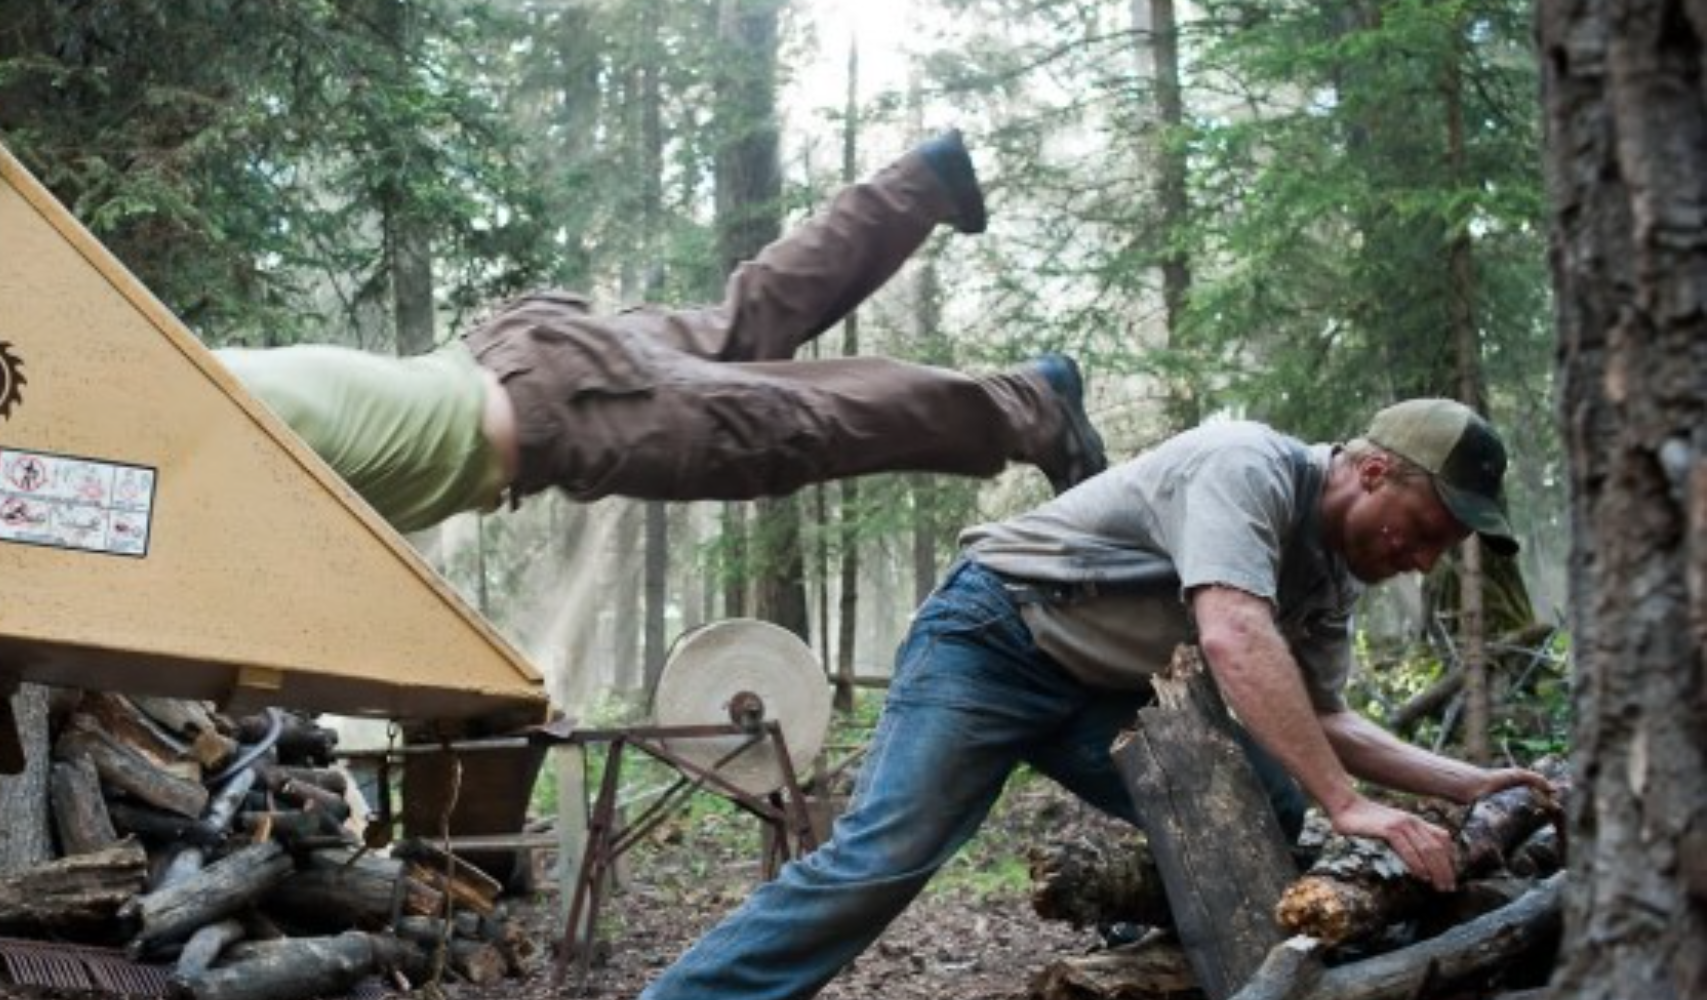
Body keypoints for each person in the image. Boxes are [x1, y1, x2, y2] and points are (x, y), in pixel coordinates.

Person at [639, 397, 1558, 1000]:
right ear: (1372, 474)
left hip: (1102, 693)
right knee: (882, 860)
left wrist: (1467, 784)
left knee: (1267, 815)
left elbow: (1327, 718)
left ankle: (1147, 971)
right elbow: (1234, 632)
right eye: (1426, 531)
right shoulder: (1245, 466)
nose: (1424, 558)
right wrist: (1351, 807)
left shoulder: (1329, 573)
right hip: (992, 636)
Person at [215, 131, 1108, 532]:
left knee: (787, 431)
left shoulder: (194, 425)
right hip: (524, 353)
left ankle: (1028, 402)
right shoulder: (195, 381)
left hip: (565, 408)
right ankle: (919, 182)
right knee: (746, 322)